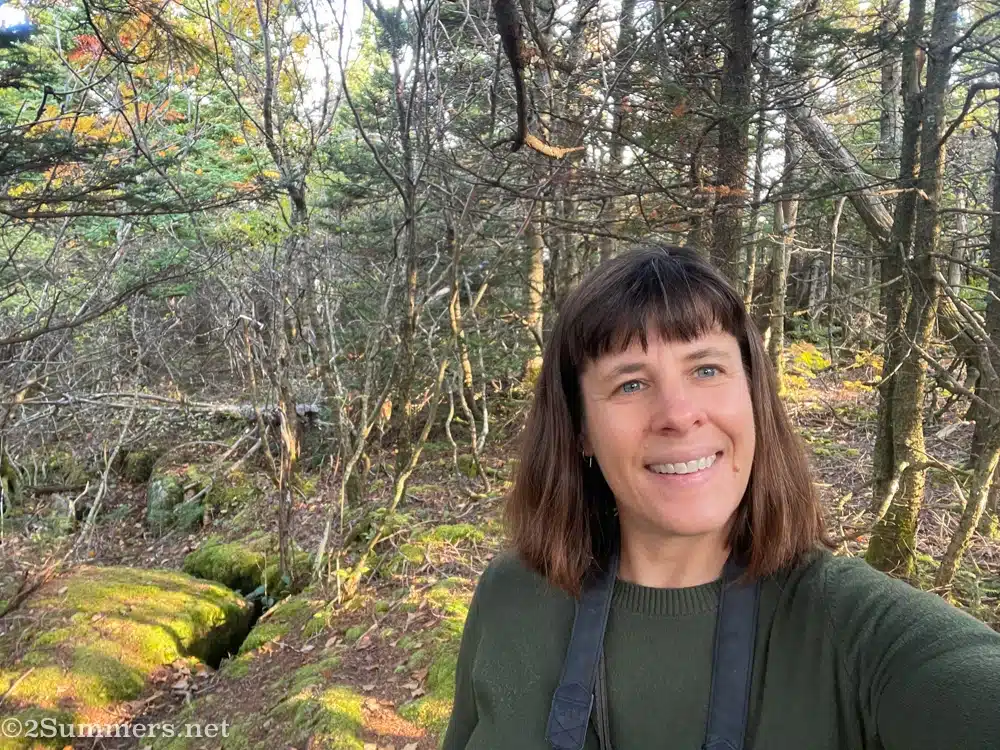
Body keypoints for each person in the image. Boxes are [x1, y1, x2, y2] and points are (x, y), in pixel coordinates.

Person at [441, 244, 1000, 750]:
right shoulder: (512, 593)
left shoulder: (850, 630)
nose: (679, 415)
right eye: (631, 383)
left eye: (706, 368)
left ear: (753, 395)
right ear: (581, 429)